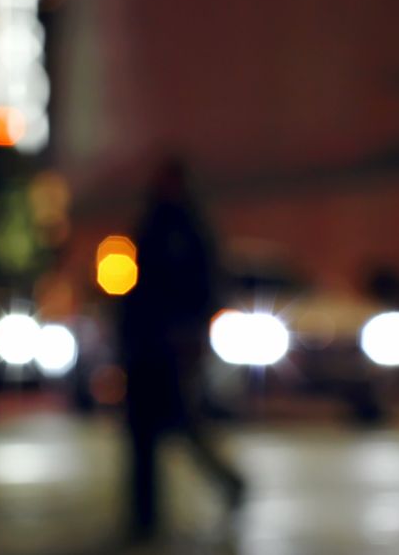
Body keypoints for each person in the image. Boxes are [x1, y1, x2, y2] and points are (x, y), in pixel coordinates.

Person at [117, 157, 245, 539]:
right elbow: (137, 289)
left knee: (182, 425)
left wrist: (189, 336)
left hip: (171, 345)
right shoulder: (155, 221)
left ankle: (228, 483)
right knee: (144, 433)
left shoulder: (187, 228)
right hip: (146, 343)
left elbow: (202, 289)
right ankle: (144, 517)